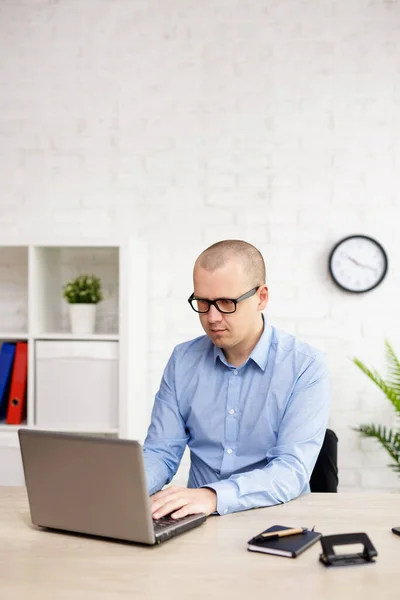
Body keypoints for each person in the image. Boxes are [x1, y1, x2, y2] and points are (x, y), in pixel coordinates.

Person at [143, 240, 330, 519]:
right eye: (203, 303)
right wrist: (123, 492)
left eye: (227, 303)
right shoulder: (183, 360)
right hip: (198, 521)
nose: (213, 317)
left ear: (261, 297)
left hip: (276, 521)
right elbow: (160, 452)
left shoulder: (305, 366)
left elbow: (290, 470)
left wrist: (213, 496)